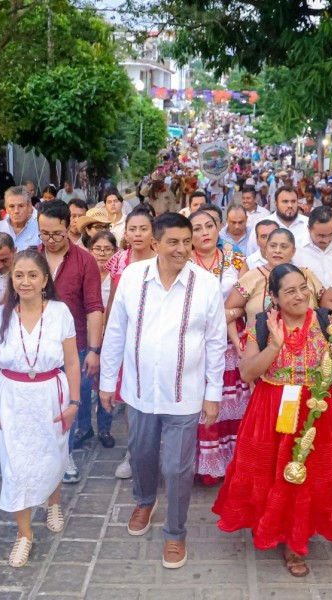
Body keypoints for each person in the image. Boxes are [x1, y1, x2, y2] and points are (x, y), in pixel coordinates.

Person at [99, 212, 226, 570]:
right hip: (138, 391)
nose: (182, 249)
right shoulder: (132, 279)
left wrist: (212, 395)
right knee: (140, 454)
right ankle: (144, 500)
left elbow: (216, 344)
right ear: (155, 244)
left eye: (187, 242)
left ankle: (175, 531)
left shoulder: (205, 284)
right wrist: (108, 382)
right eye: (174, 242)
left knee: (177, 467)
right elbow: (116, 332)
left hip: (184, 394)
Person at [213, 264, 332, 576]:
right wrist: (274, 346)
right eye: (290, 290)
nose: (300, 295)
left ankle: (298, 539)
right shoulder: (263, 325)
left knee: (314, 475)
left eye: (303, 287)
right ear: (275, 298)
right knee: (273, 475)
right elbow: (247, 372)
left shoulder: (326, 322)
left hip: (316, 412)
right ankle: (280, 535)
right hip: (272, 410)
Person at [0, 250, 81, 568]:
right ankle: (24, 534)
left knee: (53, 454)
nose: (25, 281)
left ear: (44, 280)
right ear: (11, 279)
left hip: (51, 394)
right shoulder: (1, 315)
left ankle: (53, 500)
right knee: (14, 467)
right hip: (10, 398)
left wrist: (75, 402)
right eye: (19, 275)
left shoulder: (60, 312)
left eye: (32, 275)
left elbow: (72, 361)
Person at [36, 201, 104, 483]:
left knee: (68, 404)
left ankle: (66, 456)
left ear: (69, 228)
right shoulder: (31, 257)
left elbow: (94, 307)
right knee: (42, 404)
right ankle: (42, 455)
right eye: (44, 233)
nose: (50, 240)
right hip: (37, 345)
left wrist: (93, 350)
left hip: (72, 347)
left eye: (57, 234)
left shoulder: (84, 260)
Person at [189, 209, 248, 483]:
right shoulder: (185, 263)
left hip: (229, 343)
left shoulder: (236, 259)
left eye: (209, 226)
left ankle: (231, 463)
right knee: (200, 405)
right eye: (197, 228)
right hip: (194, 346)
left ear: (218, 228)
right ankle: (202, 467)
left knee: (228, 404)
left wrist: (230, 315)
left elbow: (248, 296)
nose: (204, 233)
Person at [103, 205, 157, 479]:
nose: (137, 234)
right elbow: (112, 302)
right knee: (130, 399)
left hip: (157, 340)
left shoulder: (163, 260)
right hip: (126, 340)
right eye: (132, 229)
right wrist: (105, 336)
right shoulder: (119, 261)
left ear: (153, 232)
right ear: (125, 233)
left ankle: (158, 452)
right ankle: (133, 452)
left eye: (143, 229)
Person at [0, 187, 41, 251]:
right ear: (6, 208)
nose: (16, 211)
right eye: (11, 206)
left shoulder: (39, 228)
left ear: (29, 206)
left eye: (20, 206)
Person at [87, 230, 117, 307]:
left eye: (107, 249)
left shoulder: (118, 277)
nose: (102, 253)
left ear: (115, 251)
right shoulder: (84, 275)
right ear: (90, 251)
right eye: (97, 249)